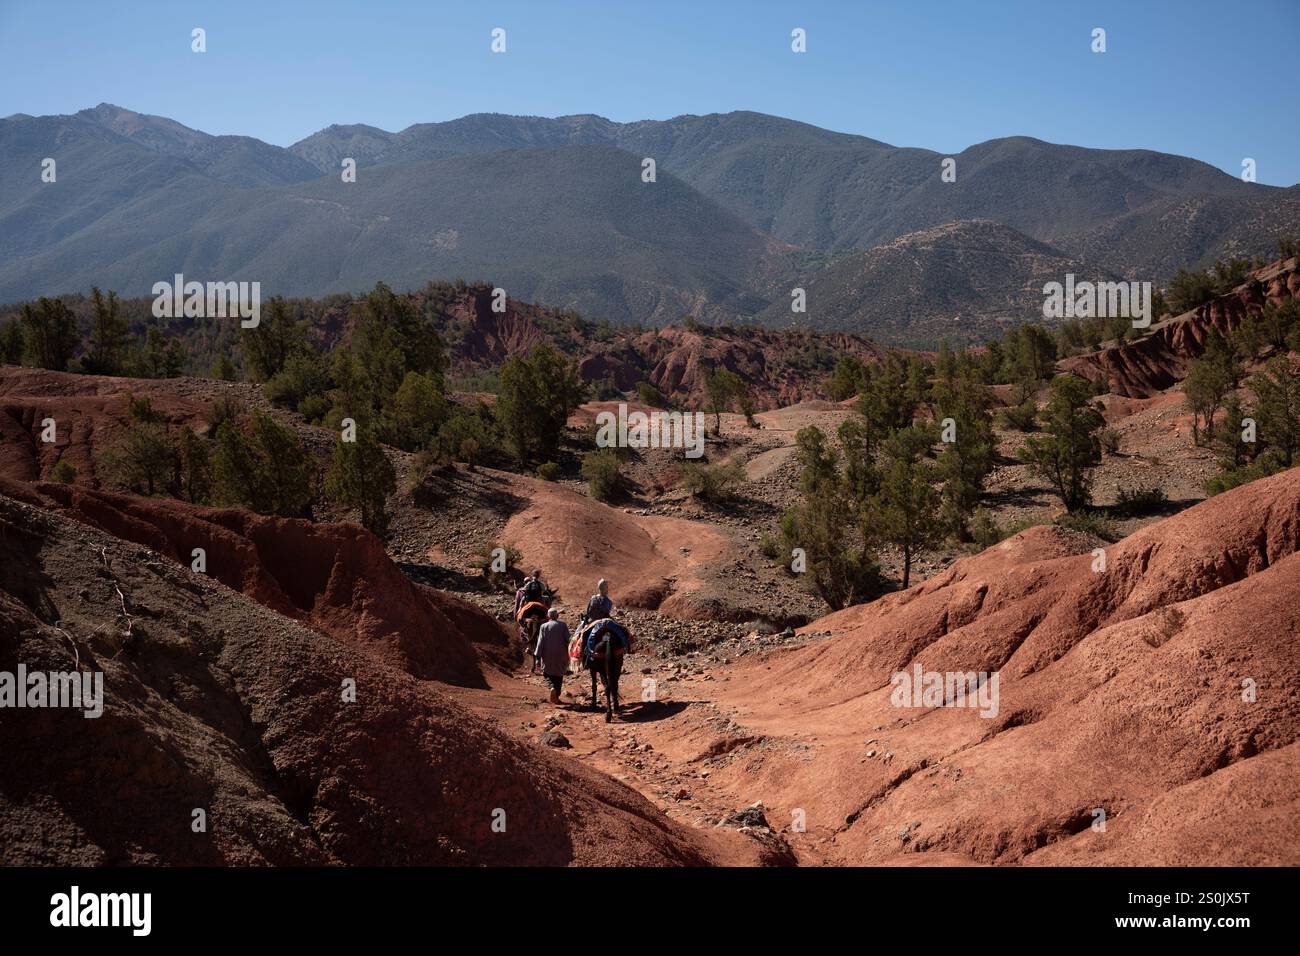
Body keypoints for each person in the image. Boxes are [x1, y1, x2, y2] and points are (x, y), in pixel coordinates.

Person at [534, 607, 571, 705]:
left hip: (547, 655)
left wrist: (538, 657)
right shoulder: (563, 625)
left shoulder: (543, 626)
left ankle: (551, 687)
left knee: (547, 674)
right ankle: (557, 696)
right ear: (557, 616)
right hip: (561, 654)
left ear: (548, 616)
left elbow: (540, 642)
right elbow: (568, 640)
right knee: (559, 675)